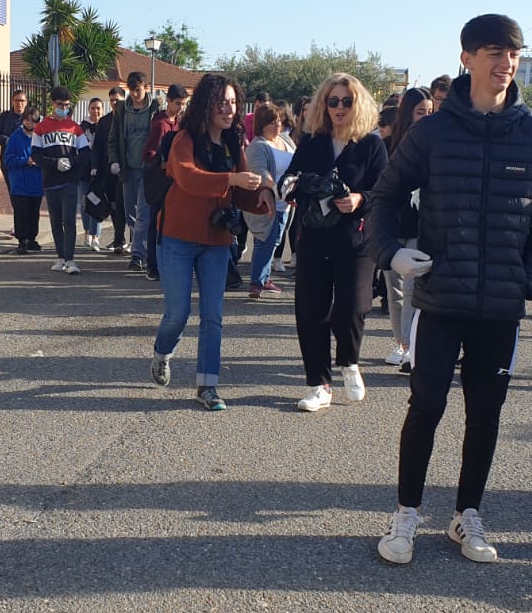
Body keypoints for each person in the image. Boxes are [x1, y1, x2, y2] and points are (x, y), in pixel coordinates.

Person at [367, 15, 532, 565]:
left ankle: (467, 515)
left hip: (501, 305)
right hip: (440, 300)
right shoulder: (432, 133)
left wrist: (531, 277)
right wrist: (391, 253)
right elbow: (384, 197)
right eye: (493, 52)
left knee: (486, 413)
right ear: (467, 59)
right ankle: (406, 512)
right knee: (426, 406)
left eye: (513, 53)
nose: (506, 63)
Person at [151, 73, 271, 411]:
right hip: (176, 236)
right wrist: (232, 178)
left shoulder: (234, 143)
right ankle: (162, 353)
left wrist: (263, 197)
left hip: (217, 239)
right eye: (222, 102)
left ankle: (208, 386)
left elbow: (241, 193)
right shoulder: (184, 139)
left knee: (213, 316)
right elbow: (188, 177)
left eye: (233, 102)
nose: (229, 109)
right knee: (177, 314)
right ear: (206, 104)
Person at [286, 73, 389, 412]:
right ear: (324, 105)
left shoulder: (371, 145)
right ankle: (319, 385)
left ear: (358, 104)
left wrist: (360, 198)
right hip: (314, 237)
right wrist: (289, 186)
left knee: (352, 307)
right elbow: (291, 177)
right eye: (333, 101)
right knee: (310, 310)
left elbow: (385, 191)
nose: (340, 107)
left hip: (355, 239)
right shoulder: (313, 141)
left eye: (347, 101)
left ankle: (349, 360)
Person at [382, 87, 432, 370]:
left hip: (421, 227)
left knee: (413, 288)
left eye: (430, 112)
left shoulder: (435, 144)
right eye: (420, 111)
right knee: (395, 291)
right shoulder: (388, 144)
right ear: (407, 113)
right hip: (392, 226)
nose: (426, 117)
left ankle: (410, 346)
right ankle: (401, 342)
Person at [109, 72, 163, 271]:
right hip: (128, 169)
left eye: (138, 90)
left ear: (145, 88)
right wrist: (114, 161)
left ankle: (138, 254)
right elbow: (113, 139)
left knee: (143, 213)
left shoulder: (155, 108)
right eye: (131, 90)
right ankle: (142, 247)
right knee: (130, 212)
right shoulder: (122, 110)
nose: (135, 94)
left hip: (147, 170)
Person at [31, 87, 88, 275]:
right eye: (60, 105)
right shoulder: (40, 128)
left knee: (69, 220)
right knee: (55, 221)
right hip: (50, 181)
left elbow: (85, 154)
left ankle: (70, 259)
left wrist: (71, 162)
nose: (63, 108)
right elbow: (36, 155)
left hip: (70, 180)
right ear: (52, 104)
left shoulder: (75, 128)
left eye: (66, 105)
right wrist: (54, 163)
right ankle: (60, 257)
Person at [244, 102, 295, 298]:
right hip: (267, 202)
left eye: (279, 121)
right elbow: (260, 172)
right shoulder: (257, 146)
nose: (278, 125)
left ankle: (264, 278)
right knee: (264, 240)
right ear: (262, 124)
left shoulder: (285, 140)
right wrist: (277, 189)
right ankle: (257, 283)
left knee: (275, 240)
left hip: (286, 203)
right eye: (272, 122)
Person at [141, 84, 189, 281]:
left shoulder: (179, 123)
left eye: (183, 104)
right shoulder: (161, 124)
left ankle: (165, 263)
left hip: (174, 183)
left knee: (170, 225)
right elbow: (148, 154)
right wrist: (166, 163)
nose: (180, 108)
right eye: (177, 103)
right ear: (168, 101)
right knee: (156, 224)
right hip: (159, 183)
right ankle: (152, 266)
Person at [89, 85, 129, 253]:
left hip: (127, 169)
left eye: (117, 100)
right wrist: (94, 166)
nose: (114, 103)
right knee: (113, 205)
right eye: (111, 100)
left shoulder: (129, 118)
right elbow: (98, 147)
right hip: (108, 170)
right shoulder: (104, 121)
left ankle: (133, 241)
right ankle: (119, 239)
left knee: (127, 205)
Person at [3, 105, 45, 254]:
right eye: (27, 120)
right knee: (21, 213)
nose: (30, 123)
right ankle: (22, 241)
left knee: (34, 213)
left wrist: (40, 161)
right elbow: (8, 160)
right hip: (20, 183)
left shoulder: (41, 138)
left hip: (36, 183)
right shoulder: (15, 137)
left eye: (33, 121)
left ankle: (32, 239)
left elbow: (46, 157)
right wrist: (25, 160)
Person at [0, 89, 28, 239]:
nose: (20, 103)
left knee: (26, 194)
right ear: (13, 101)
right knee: (15, 193)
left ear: (26, 102)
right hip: (9, 163)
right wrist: (8, 140)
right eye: (17, 100)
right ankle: (18, 223)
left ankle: (25, 223)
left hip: (26, 163)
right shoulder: (5, 117)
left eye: (22, 101)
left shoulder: (30, 118)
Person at [79, 98, 106, 251]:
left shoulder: (105, 125)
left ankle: (96, 235)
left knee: (96, 202)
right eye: (93, 108)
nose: (96, 111)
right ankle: (87, 231)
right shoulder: (82, 127)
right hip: (84, 171)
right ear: (89, 109)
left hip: (100, 172)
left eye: (98, 108)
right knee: (85, 203)